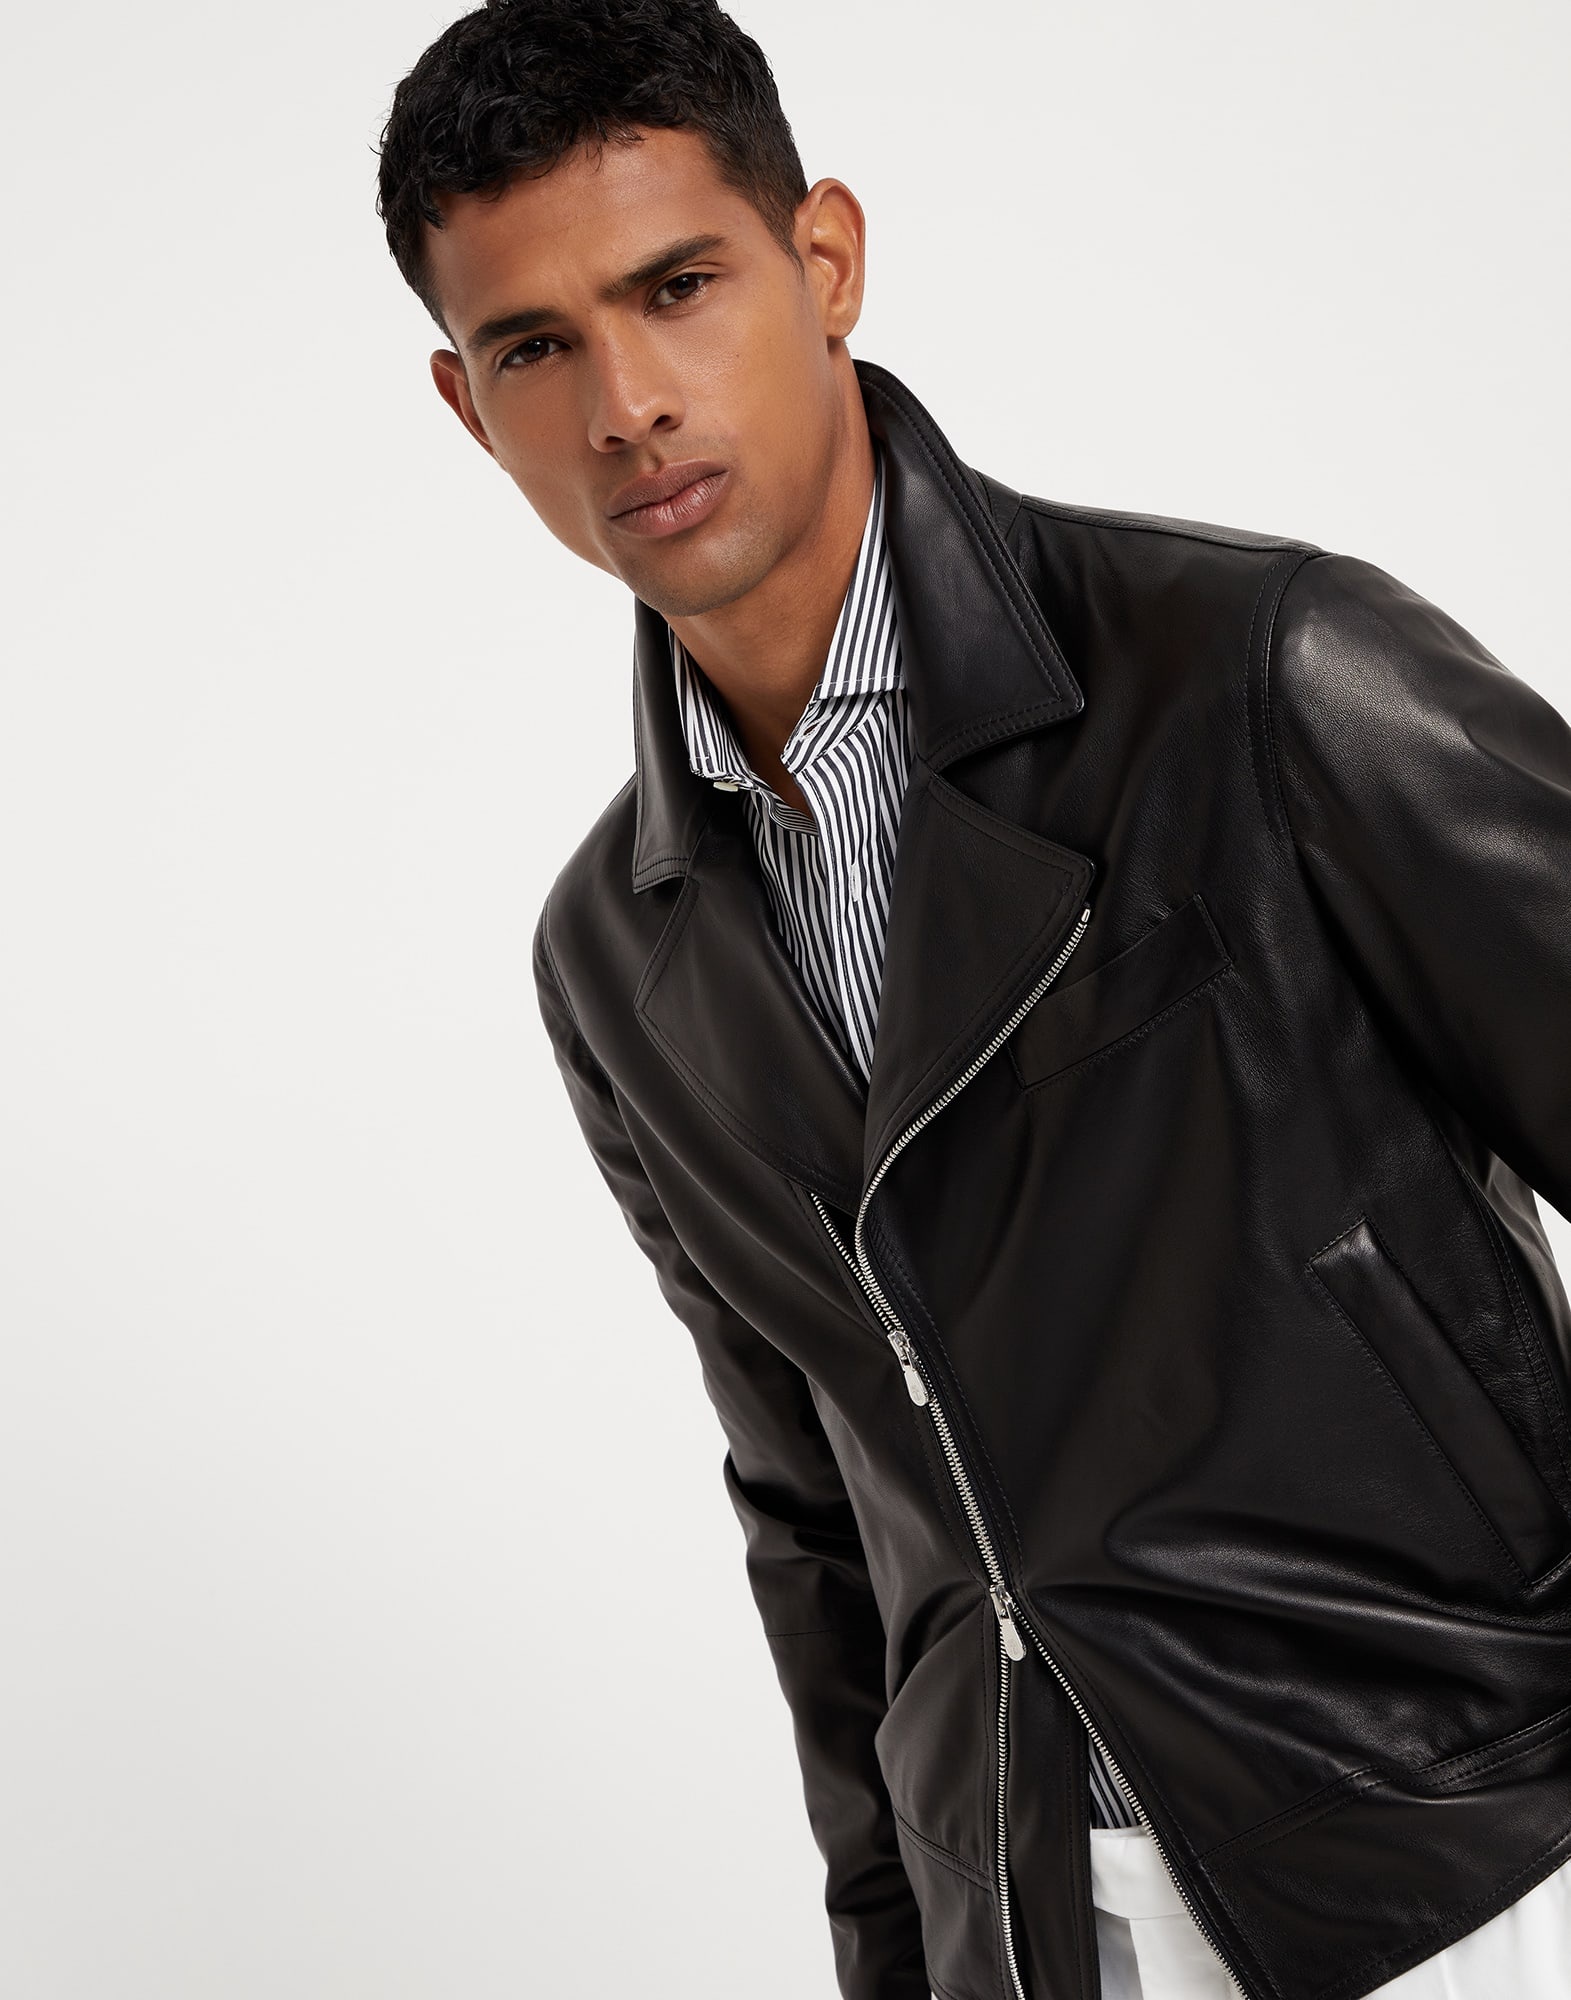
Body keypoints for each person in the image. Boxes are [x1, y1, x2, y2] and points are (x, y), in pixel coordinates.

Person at [373, 4, 1571, 1995]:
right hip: (1031, 1924)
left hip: (1477, 1862)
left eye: (676, 288)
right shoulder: (613, 949)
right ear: (466, 404)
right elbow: (815, 1521)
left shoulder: (1258, 672)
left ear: (824, 256)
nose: (627, 405)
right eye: (534, 347)